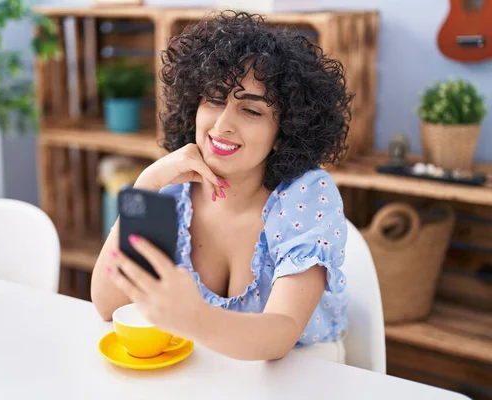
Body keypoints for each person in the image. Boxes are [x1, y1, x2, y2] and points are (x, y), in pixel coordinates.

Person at [91, 10, 353, 363]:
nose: (223, 124)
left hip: (303, 373)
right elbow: (109, 305)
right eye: (214, 98)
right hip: (210, 370)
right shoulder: (171, 188)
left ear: (284, 132)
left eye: (251, 111)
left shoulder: (305, 196)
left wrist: (194, 319)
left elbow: (281, 333)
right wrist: (146, 185)